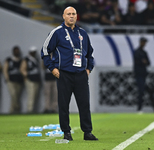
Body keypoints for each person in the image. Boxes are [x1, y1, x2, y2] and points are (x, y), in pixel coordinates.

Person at [41, 6, 98, 141]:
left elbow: (90, 54)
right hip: (64, 74)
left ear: (77, 16)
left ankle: (87, 132)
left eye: (74, 14)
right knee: (64, 105)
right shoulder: (57, 32)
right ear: (63, 16)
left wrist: (89, 69)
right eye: (69, 14)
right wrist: (52, 68)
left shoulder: (83, 33)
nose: (71, 16)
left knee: (84, 104)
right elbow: (44, 51)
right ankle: (66, 132)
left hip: (81, 74)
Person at [20, 46, 41, 113]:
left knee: (35, 96)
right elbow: (22, 69)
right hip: (30, 80)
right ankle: (29, 110)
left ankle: (32, 110)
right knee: (31, 95)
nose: (33, 53)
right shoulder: (26, 59)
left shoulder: (36, 59)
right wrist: (26, 76)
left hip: (36, 80)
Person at [3, 46, 24, 114]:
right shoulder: (9, 60)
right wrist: (7, 78)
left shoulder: (21, 60)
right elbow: (5, 69)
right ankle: (13, 110)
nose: (17, 52)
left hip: (19, 81)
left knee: (17, 96)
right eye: (15, 51)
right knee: (13, 95)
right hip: (11, 81)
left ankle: (15, 111)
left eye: (18, 51)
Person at [133, 37, 150, 113]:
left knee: (143, 91)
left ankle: (141, 107)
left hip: (144, 74)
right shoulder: (137, 52)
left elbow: (148, 62)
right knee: (140, 91)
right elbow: (138, 62)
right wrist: (143, 62)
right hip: (138, 74)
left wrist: (144, 62)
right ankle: (139, 108)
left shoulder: (144, 52)